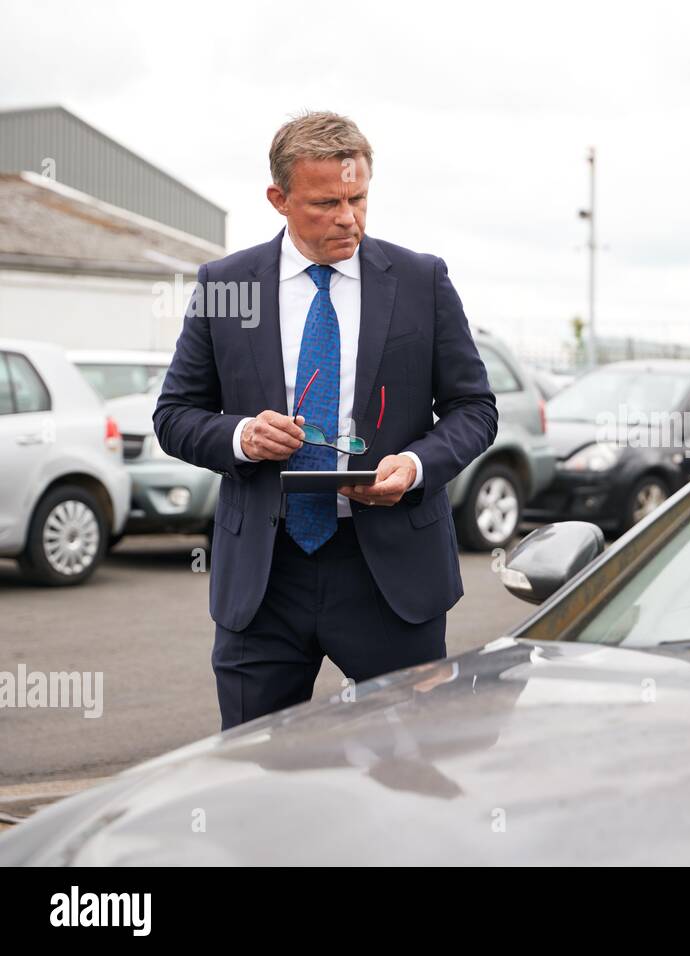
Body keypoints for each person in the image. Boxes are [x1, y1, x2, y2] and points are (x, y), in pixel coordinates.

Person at [154, 111, 498, 730]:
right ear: (278, 199)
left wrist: (416, 466)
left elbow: (475, 408)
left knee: (409, 775)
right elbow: (174, 416)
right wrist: (242, 437)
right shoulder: (225, 286)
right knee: (257, 776)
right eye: (326, 203)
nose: (349, 218)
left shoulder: (422, 280)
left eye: (358, 198)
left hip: (391, 573)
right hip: (264, 575)